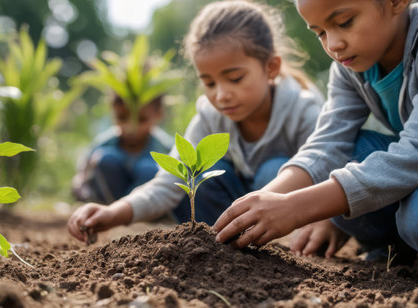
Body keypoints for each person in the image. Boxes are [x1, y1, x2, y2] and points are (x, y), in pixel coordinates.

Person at [67, 0, 324, 243]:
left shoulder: (302, 109)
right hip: (228, 219)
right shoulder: (210, 116)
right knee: (197, 178)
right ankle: (225, 245)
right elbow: (168, 182)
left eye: (235, 78)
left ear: (271, 68)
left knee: (274, 170)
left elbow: (329, 166)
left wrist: (328, 223)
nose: (221, 95)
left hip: (285, 221)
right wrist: (114, 213)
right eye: (209, 83)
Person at [214, 0, 418, 264]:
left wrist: (295, 208)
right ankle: (393, 250)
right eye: (320, 32)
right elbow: (328, 145)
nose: (333, 45)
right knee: (334, 164)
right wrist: (257, 205)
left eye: (345, 22)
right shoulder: (350, 65)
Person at [72, 94, 173, 204]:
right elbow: (82, 173)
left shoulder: (165, 146)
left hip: (144, 204)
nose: (130, 129)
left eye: (141, 119)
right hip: (110, 200)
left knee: (149, 169)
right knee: (106, 159)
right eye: (122, 118)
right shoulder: (105, 143)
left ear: (159, 114)